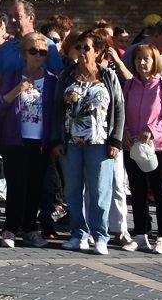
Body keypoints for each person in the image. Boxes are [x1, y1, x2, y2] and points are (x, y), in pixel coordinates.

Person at [50, 34, 124, 254]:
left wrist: (116, 140)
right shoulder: (67, 76)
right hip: (71, 142)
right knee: (72, 190)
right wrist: (56, 139)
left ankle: (100, 235)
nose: (82, 51)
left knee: (100, 190)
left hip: (100, 142)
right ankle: (78, 233)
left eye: (87, 48)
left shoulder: (108, 76)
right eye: (79, 47)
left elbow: (118, 109)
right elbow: (56, 109)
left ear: (97, 51)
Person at [0, 36, 56, 248]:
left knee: (35, 188)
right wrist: (17, 90)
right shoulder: (13, 76)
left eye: (43, 52)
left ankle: (30, 229)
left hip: (40, 142)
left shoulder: (51, 80)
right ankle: (9, 228)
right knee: (16, 186)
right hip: (15, 140)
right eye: (33, 51)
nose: (38, 56)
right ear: (23, 54)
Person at [122, 42, 162, 254]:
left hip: (159, 147)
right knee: (137, 190)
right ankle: (140, 235)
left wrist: (152, 129)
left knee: (159, 190)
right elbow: (123, 114)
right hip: (133, 146)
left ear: (154, 61)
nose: (142, 63)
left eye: (146, 58)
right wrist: (125, 132)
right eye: (138, 59)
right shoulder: (129, 85)